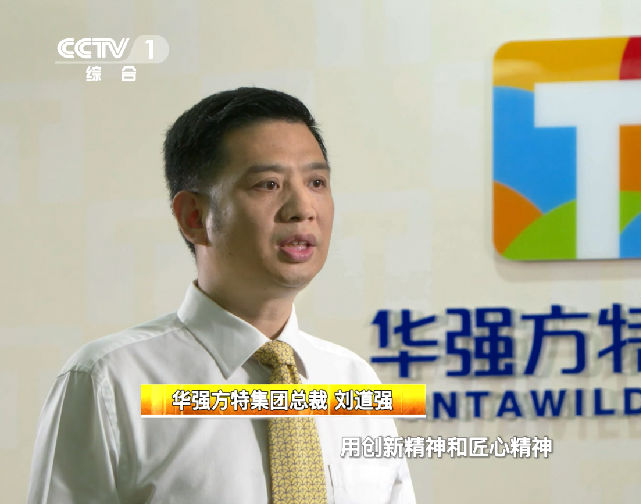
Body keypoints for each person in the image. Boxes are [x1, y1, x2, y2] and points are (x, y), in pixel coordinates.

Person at [27, 87, 416, 504]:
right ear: (194, 217)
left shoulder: (354, 380)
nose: (303, 208)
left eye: (316, 182)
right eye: (268, 184)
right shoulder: (109, 381)